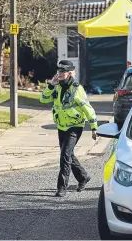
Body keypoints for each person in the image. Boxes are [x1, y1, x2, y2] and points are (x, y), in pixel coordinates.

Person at [40, 60, 98, 197]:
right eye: (58, 71)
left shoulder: (78, 89)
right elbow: (43, 99)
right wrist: (50, 85)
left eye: (62, 72)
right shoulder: (57, 87)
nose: (59, 74)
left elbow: (88, 109)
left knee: (65, 155)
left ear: (70, 74)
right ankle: (83, 177)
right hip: (61, 126)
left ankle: (61, 187)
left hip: (75, 126)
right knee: (69, 155)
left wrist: (94, 128)